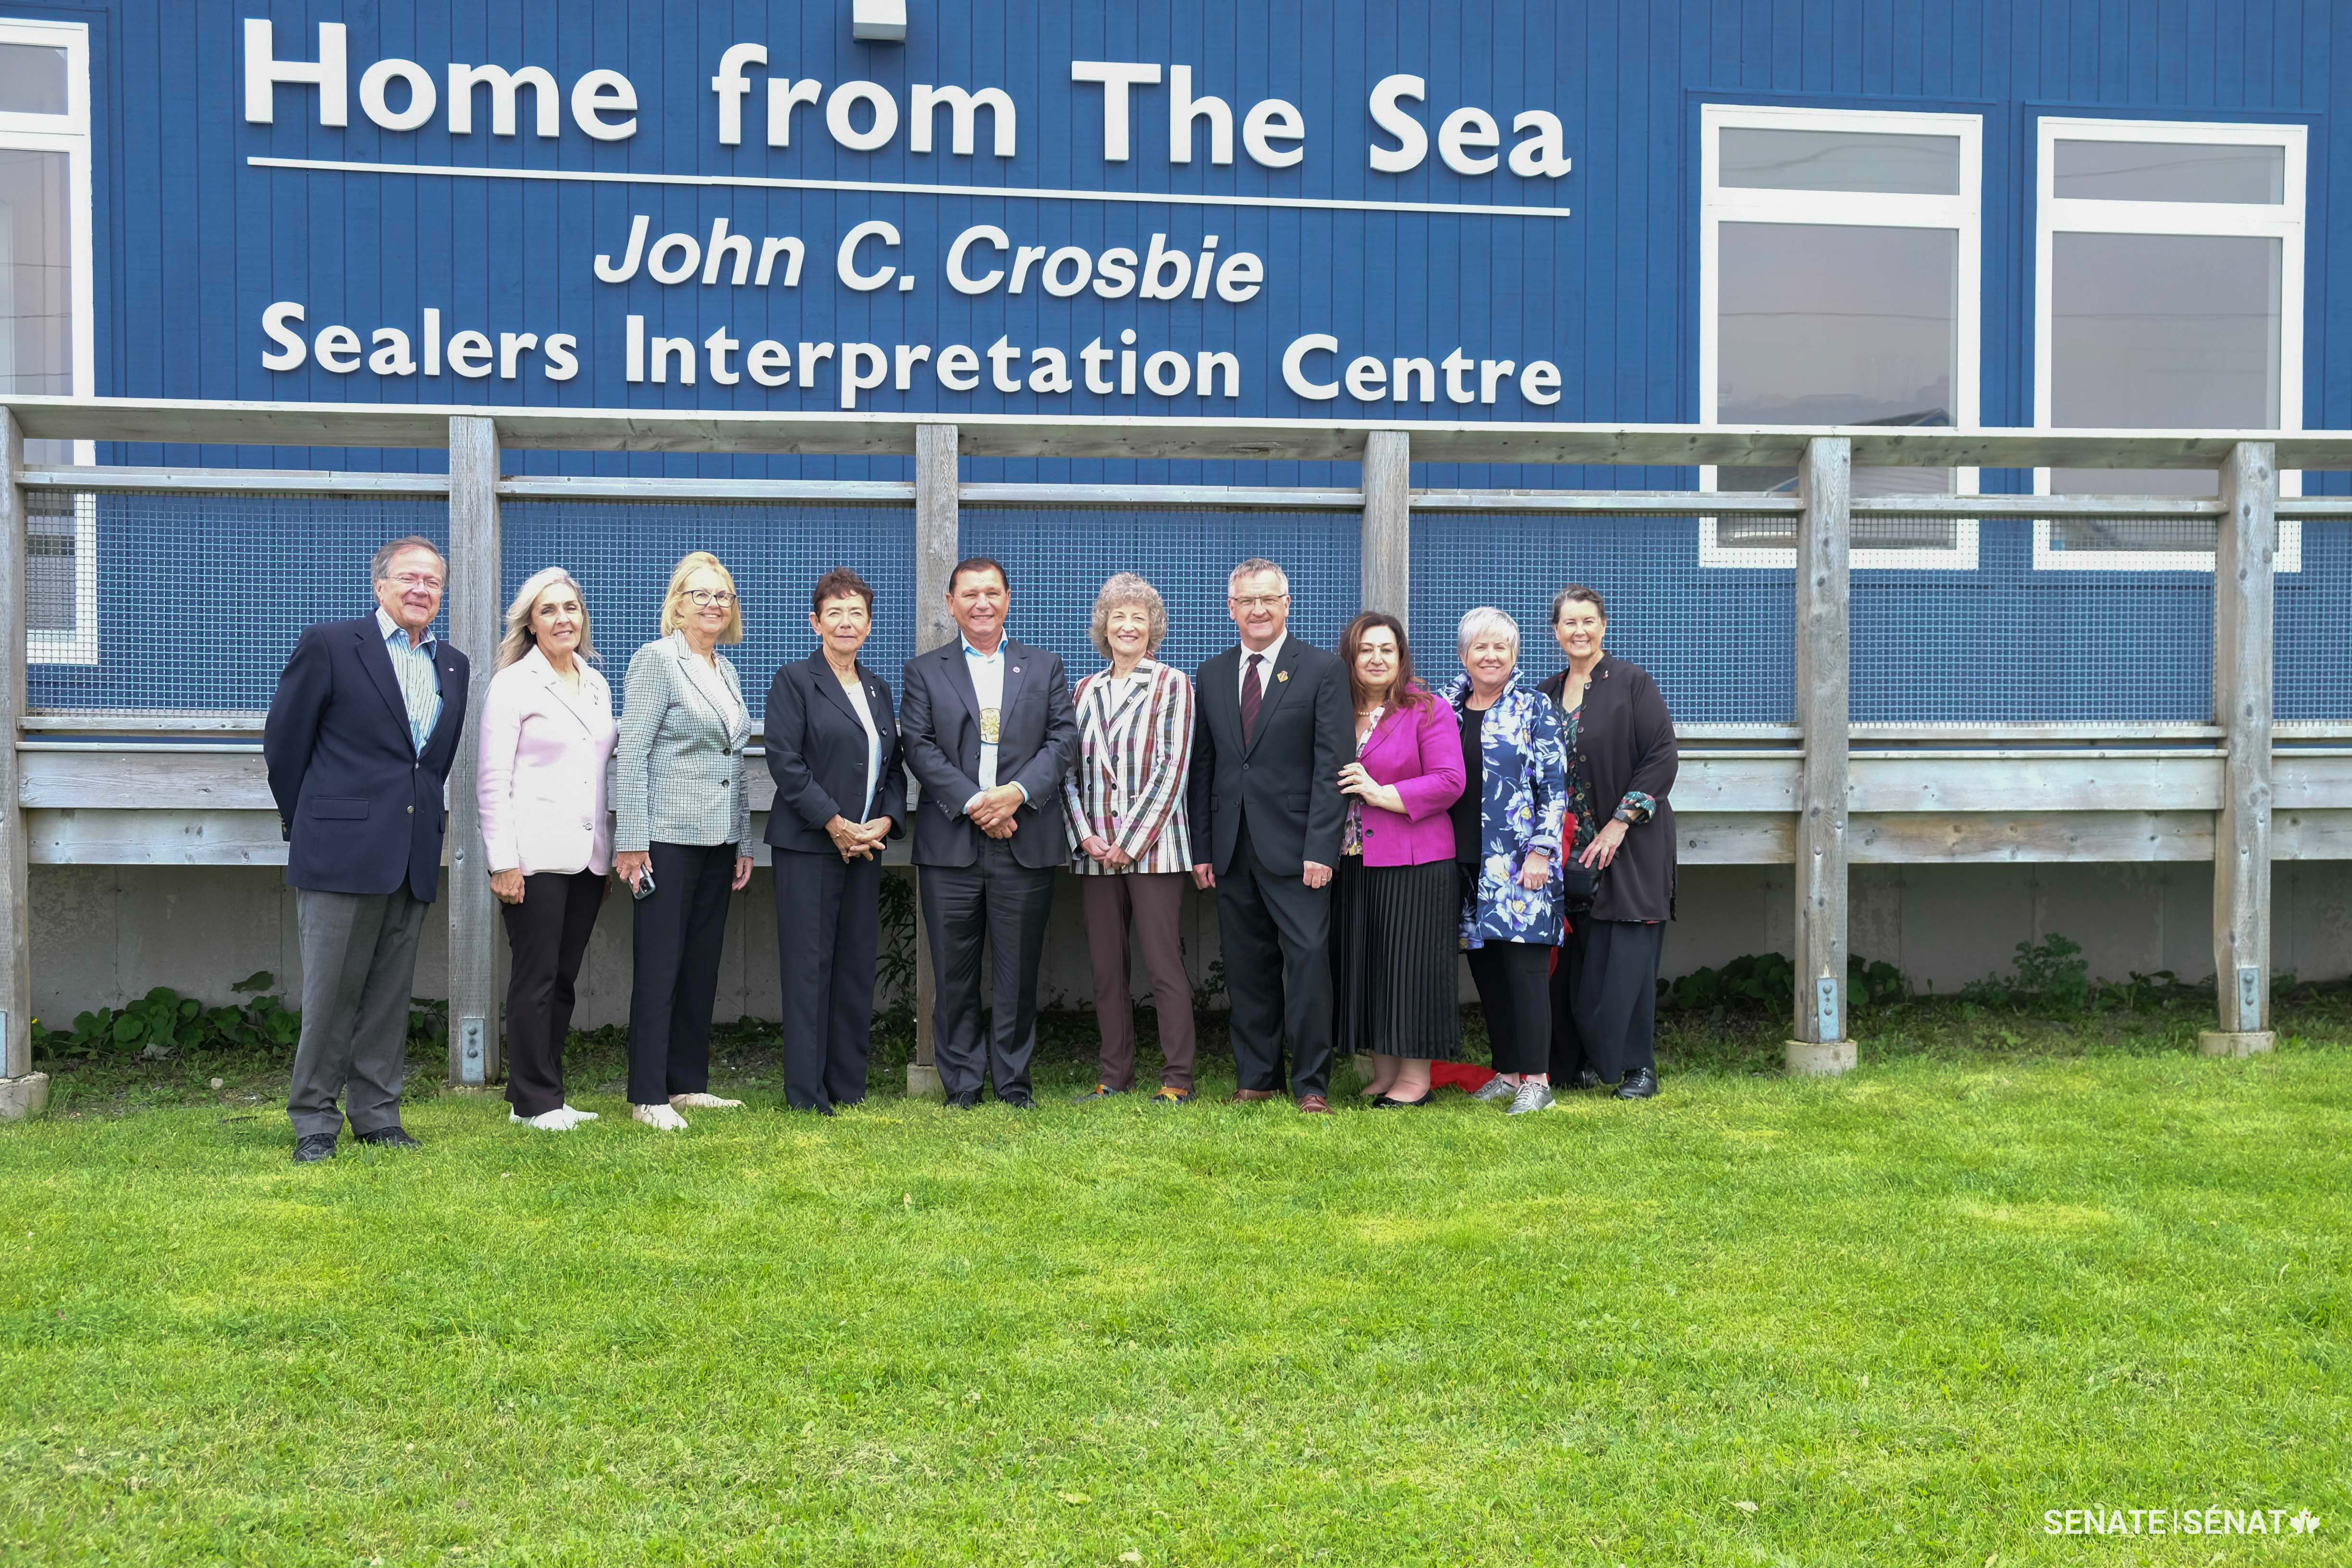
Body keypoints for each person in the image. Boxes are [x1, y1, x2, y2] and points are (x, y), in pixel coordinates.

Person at [263, 537, 470, 1163]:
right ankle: (314, 1123)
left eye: (432, 582)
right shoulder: (331, 645)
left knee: (388, 996)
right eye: (408, 577)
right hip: (339, 851)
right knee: (331, 997)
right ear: (379, 585)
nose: (420, 590)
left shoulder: (453, 663)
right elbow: (284, 745)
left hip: (410, 854)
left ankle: (378, 1115)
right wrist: (314, 824)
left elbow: (429, 765)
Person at [899, 557, 1078, 1108]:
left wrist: (1015, 796)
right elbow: (919, 747)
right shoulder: (926, 671)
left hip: (1024, 839)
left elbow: (1063, 741)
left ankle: (1014, 1084)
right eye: (970, 594)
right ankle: (963, 1085)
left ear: (1008, 600)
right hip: (952, 843)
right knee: (953, 974)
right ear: (951, 604)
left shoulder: (1043, 667)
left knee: (1018, 972)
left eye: (992, 593)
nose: (982, 603)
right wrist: (979, 803)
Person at [1188, 559, 1351, 1114]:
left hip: (1299, 849)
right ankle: (1257, 1077)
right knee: (1246, 966)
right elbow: (1203, 768)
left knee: (1307, 964)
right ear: (1230, 609)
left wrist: (1321, 849)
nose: (1258, 610)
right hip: (1233, 849)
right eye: (1246, 601)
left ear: (1287, 604)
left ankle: (1311, 1084)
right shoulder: (1210, 674)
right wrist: (1204, 849)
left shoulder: (1323, 670)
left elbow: (1334, 765)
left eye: (1268, 600)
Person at [613, 551, 756, 1131]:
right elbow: (633, 753)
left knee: (700, 964)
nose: (713, 604)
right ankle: (647, 1093)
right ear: (677, 604)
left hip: (718, 839)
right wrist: (633, 840)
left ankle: (686, 1084)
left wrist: (744, 840)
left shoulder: (727, 670)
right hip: (665, 839)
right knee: (661, 963)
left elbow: (735, 762)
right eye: (700, 594)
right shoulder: (656, 661)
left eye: (722, 595)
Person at [476, 567, 616, 1133]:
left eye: (571, 609)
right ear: (531, 625)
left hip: (588, 856)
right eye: (549, 611)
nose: (563, 619)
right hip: (532, 859)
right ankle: (534, 1103)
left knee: (562, 980)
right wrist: (502, 861)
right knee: (534, 980)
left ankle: (544, 1093)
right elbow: (491, 780)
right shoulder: (513, 684)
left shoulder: (597, 681)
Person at [763, 567, 906, 1115]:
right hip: (810, 847)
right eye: (835, 612)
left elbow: (894, 766)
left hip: (865, 848)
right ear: (816, 622)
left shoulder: (878, 687)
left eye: (857, 613)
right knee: (808, 971)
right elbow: (786, 762)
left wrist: (885, 823)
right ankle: (806, 1093)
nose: (846, 622)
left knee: (853, 967)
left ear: (870, 625)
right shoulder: (795, 680)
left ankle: (849, 1086)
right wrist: (835, 824)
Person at [1062, 573, 1198, 1104]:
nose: (1127, 626)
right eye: (1118, 617)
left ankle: (1178, 1079)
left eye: (1138, 619)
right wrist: (1087, 836)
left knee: (1164, 967)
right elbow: (1069, 771)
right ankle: (1115, 1075)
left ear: (1153, 629)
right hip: (1097, 852)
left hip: (1156, 850)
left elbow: (1172, 769)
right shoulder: (1083, 690)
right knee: (1107, 968)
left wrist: (1131, 841)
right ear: (1104, 626)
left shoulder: (1172, 684)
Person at [1540, 585, 1678, 1101]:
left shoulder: (1632, 683)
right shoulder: (1546, 692)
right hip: (1564, 848)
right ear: (1555, 632)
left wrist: (1621, 823)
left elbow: (1662, 756)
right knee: (1570, 964)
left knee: (1626, 963)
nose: (1579, 631)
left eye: (1588, 621)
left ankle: (1637, 1068)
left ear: (1604, 626)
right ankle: (1572, 1064)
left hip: (1629, 846)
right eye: (1569, 622)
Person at [1331, 612, 1465, 1107]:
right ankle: (1385, 1072)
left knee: (1410, 968)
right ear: (1352, 656)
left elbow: (1451, 781)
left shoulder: (1427, 710)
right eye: (1366, 649)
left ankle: (1415, 1078)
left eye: (1387, 649)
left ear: (1401, 657)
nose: (1377, 658)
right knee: (1370, 965)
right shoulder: (1336, 710)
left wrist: (1378, 792)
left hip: (1416, 860)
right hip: (1351, 858)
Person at [1443, 607, 1570, 1116]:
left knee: (1525, 971)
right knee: (1488, 971)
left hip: (1519, 865)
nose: (1491, 655)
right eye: (1481, 647)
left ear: (1515, 655)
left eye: (1501, 647)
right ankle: (1507, 1071)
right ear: (1464, 655)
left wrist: (1542, 850)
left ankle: (1537, 1081)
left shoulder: (1534, 707)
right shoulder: (1446, 707)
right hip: (1463, 865)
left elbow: (1556, 788)